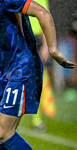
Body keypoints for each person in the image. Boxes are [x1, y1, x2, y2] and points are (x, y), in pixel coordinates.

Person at [0, 0, 75, 149]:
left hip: (22, 66)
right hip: (1, 68)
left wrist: (52, 49)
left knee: (3, 133)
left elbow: (43, 13)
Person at [29, 0, 56, 131]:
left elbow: (45, 20)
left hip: (36, 40)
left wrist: (46, 45)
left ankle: (37, 119)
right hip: (22, 38)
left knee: (38, 81)